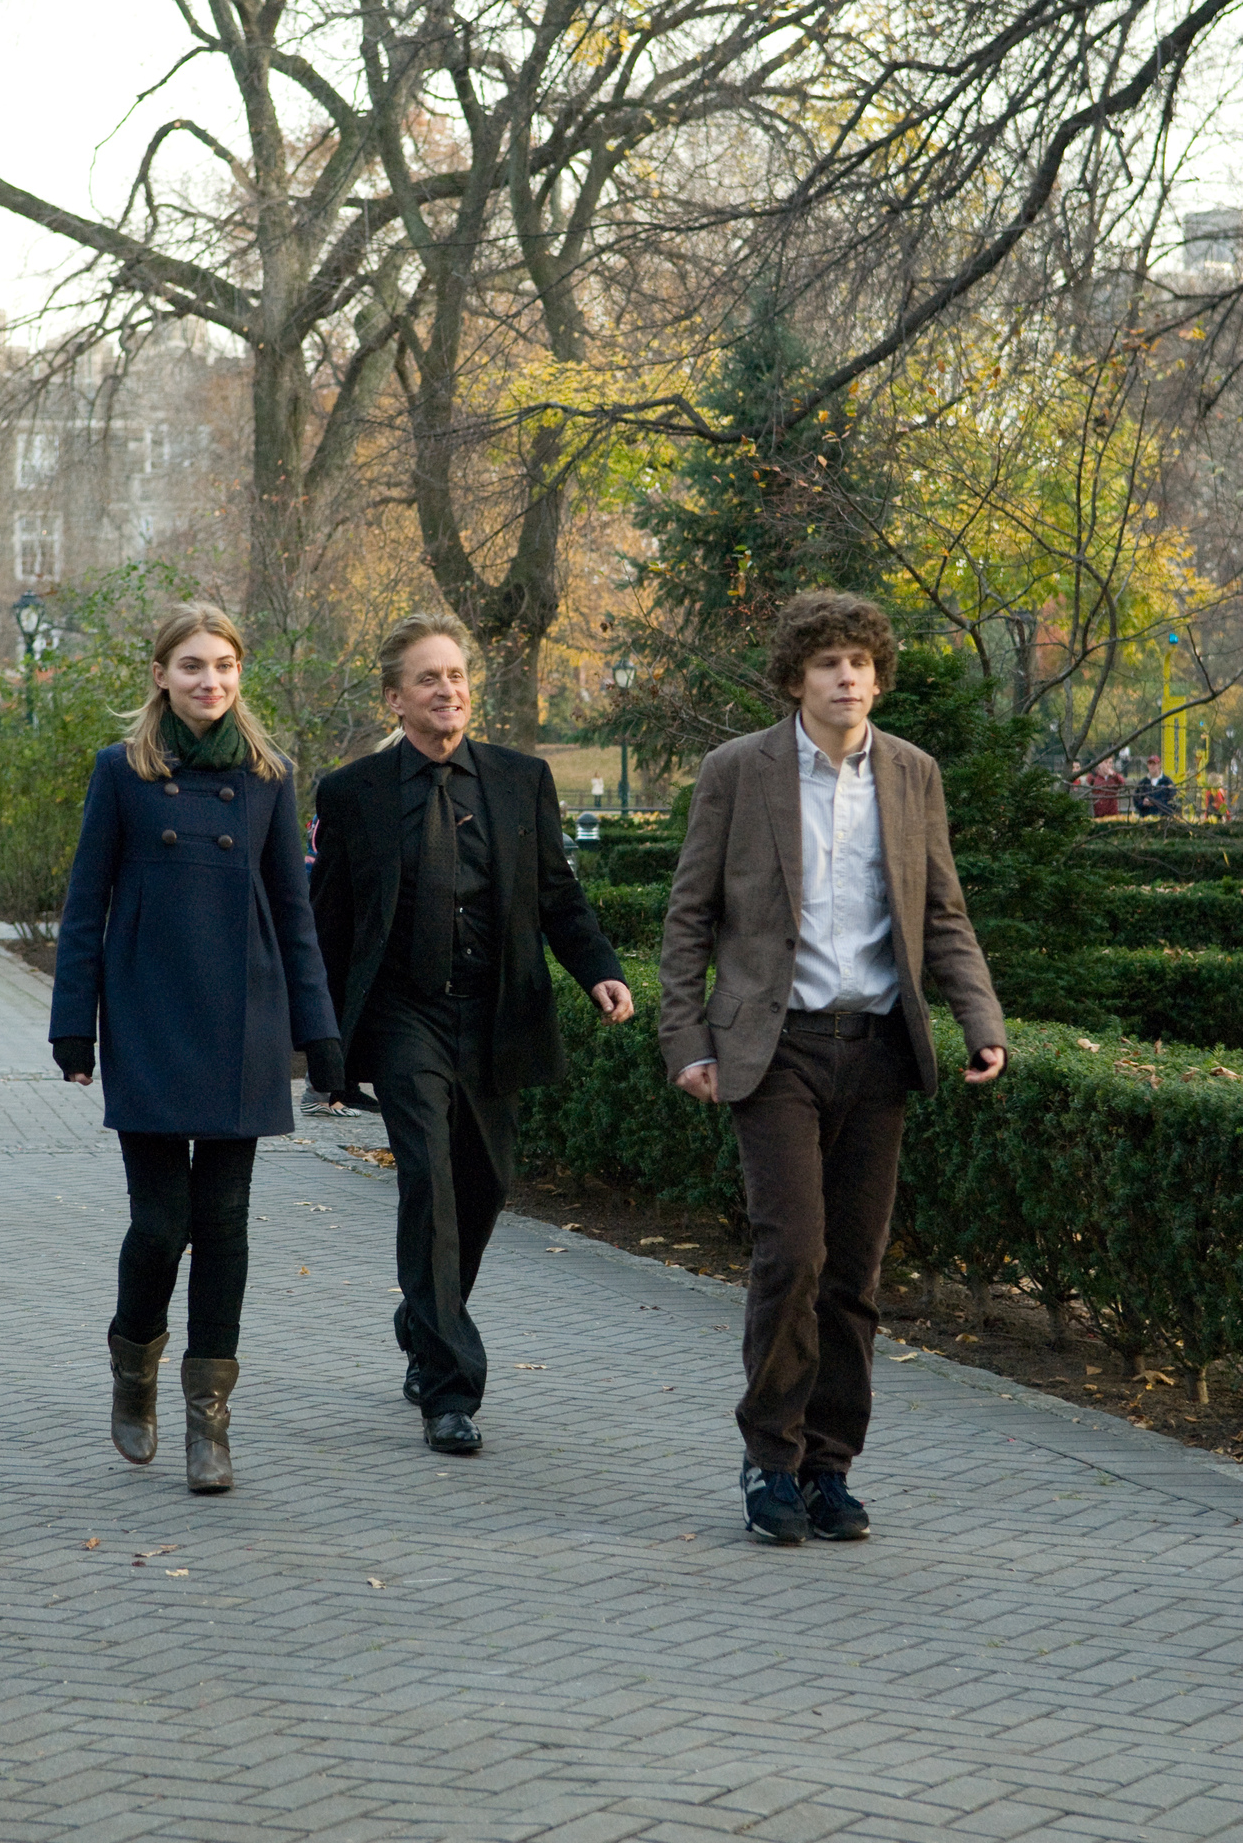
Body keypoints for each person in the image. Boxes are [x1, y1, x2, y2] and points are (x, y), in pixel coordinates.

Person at [659, 591, 1007, 1547]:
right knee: (793, 1256)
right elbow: (690, 915)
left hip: (881, 1049)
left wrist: (980, 1020)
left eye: (860, 663)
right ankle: (769, 1459)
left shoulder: (912, 775)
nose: (847, 677)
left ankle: (829, 1469)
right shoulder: (739, 770)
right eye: (828, 663)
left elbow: (942, 913)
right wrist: (687, 1039)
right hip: (775, 1050)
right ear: (796, 678)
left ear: (878, 677)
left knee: (853, 1274)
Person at [310, 613, 634, 1455]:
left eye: (455, 676)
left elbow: (558, 895)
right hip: (402, 1016)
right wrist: (320, 1041)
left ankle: (426, 1315)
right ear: (395, 697)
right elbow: (331, 922)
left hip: (494, 1014)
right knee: (428, 1183)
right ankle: (450, 1390)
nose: (447, 690)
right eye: (428, 678)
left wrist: (599, 967)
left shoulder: (522, 780)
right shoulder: (352, 793)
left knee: (484, 1187)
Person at [49, 604, 341, 1493]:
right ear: (161, 676)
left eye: (222, 665)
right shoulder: (122, 772)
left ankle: (209, 1423)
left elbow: (294, 911)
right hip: (146, 1012)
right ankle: (133, 1367)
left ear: (239, 674)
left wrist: (318, 1032)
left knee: (224, 1228)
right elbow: (83, 905)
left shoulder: (268, 775)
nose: (208, 680)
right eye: (190, 666)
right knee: (160, 1224)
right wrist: (73, 1019)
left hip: (241, 1020)